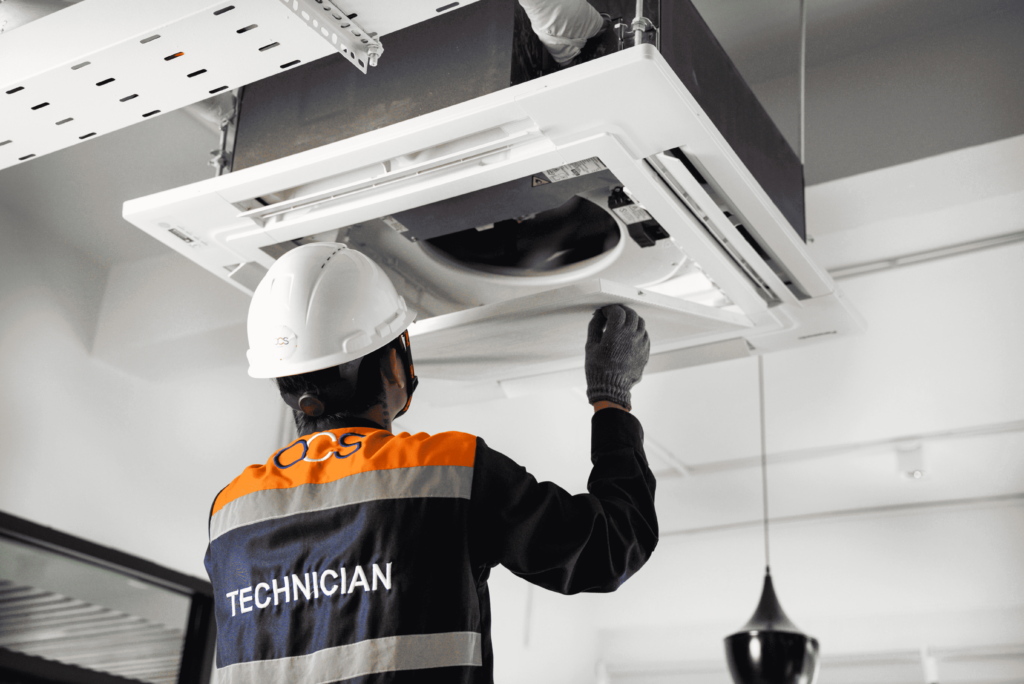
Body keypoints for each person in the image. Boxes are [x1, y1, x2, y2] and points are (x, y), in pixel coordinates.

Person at [204, 243, 657, 683]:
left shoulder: (230, 511)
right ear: (391, 364)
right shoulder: (446, 471)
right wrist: (611, 398)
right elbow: (609, 547)